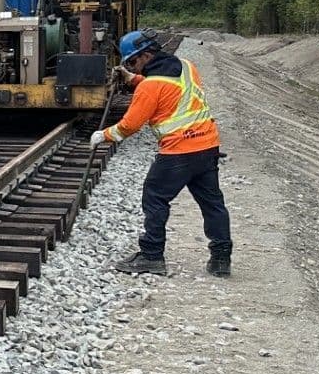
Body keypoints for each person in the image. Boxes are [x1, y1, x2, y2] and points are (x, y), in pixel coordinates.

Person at [94, 30, 232, 277]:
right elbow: (169, 88)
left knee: (155, 196)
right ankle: (221, 259)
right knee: (213, 204)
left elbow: (129, 126)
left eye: (133, 62)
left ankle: (151, 255)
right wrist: (132, 78)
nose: (132, 66)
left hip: (178, 150)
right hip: (208, 146)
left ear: (147, 55)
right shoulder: (187, 67)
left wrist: (103, 135)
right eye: (129, 64)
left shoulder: (149, 87)